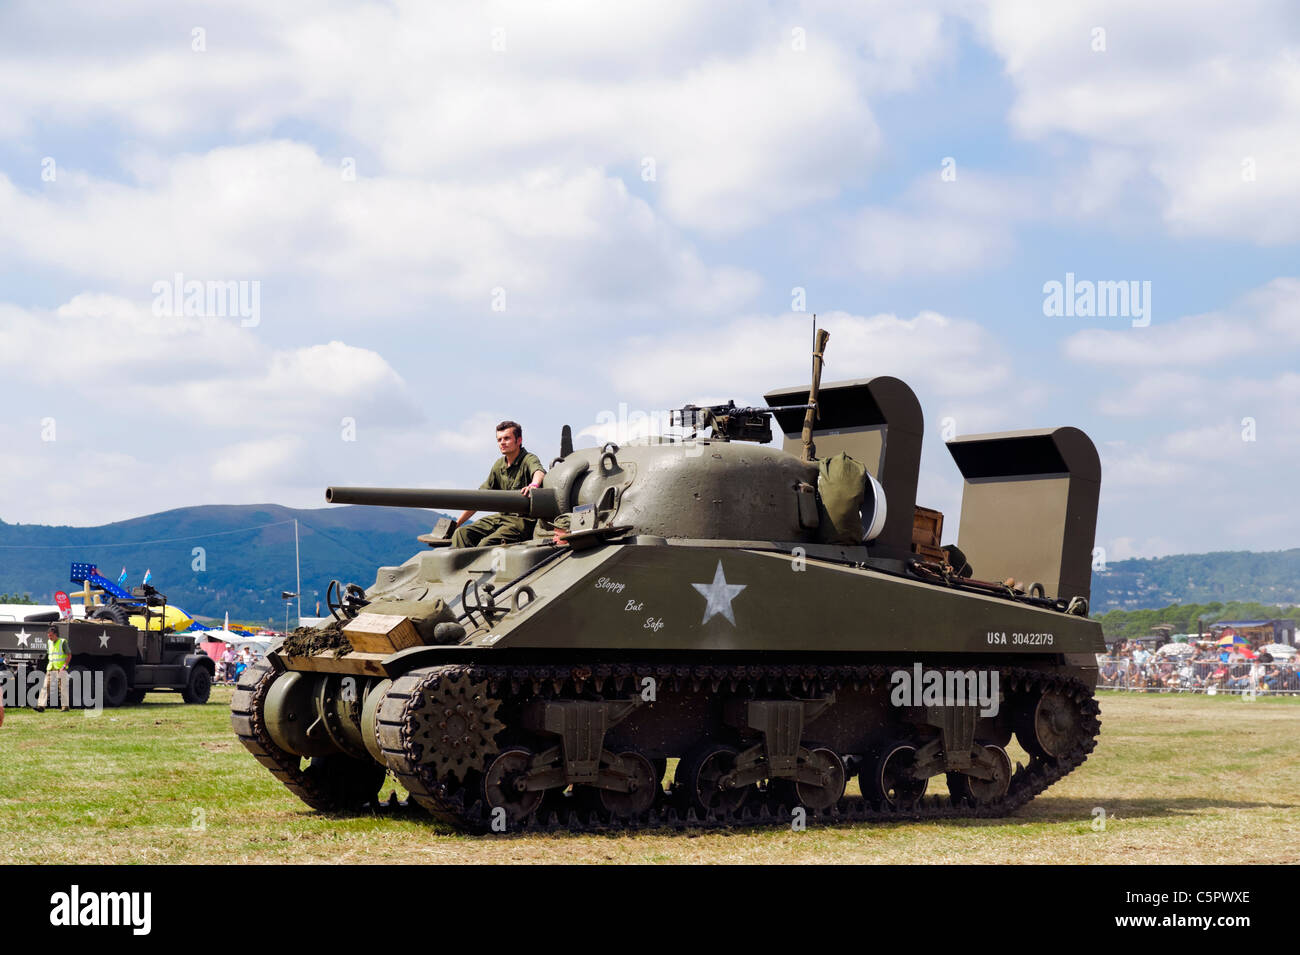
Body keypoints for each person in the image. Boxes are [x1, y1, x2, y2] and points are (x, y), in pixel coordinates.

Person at [450, 420, 545, 548]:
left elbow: (538, 472)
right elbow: (479, 498)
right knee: (461, 534)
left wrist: (533, 485)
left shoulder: (528, 459)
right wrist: (458, 523)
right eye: (499, 440)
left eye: (507, 438)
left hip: (522, 521)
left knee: (486, 544)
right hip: (501, 518)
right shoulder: (499, 465)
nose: (502, 443)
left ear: (519, 440)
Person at [34, 626, 70, 712]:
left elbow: (69, 655)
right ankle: (41, 706)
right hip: (51, 668)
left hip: (61, 669)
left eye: (51, 636)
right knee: (45, 686)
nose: (49, 637)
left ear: (55, 635)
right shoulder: (49, 642)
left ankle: (65, 707)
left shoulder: (63, 642)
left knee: (63, 688)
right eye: (48, 636)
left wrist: (64, 666)